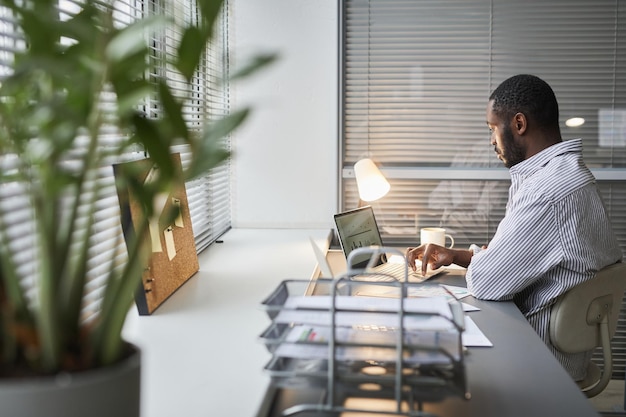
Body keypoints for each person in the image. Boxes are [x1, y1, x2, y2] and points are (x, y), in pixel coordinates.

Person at [406, 74, 623, 382]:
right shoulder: (568, 175)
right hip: (553, 350)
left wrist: (478, 264)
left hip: (537, 359)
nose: (491, 140)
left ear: (519, 124)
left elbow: (486, 282)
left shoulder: (548, 192)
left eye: (493, 128)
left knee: (417, 349)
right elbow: (522, 262)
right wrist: (457, 256)